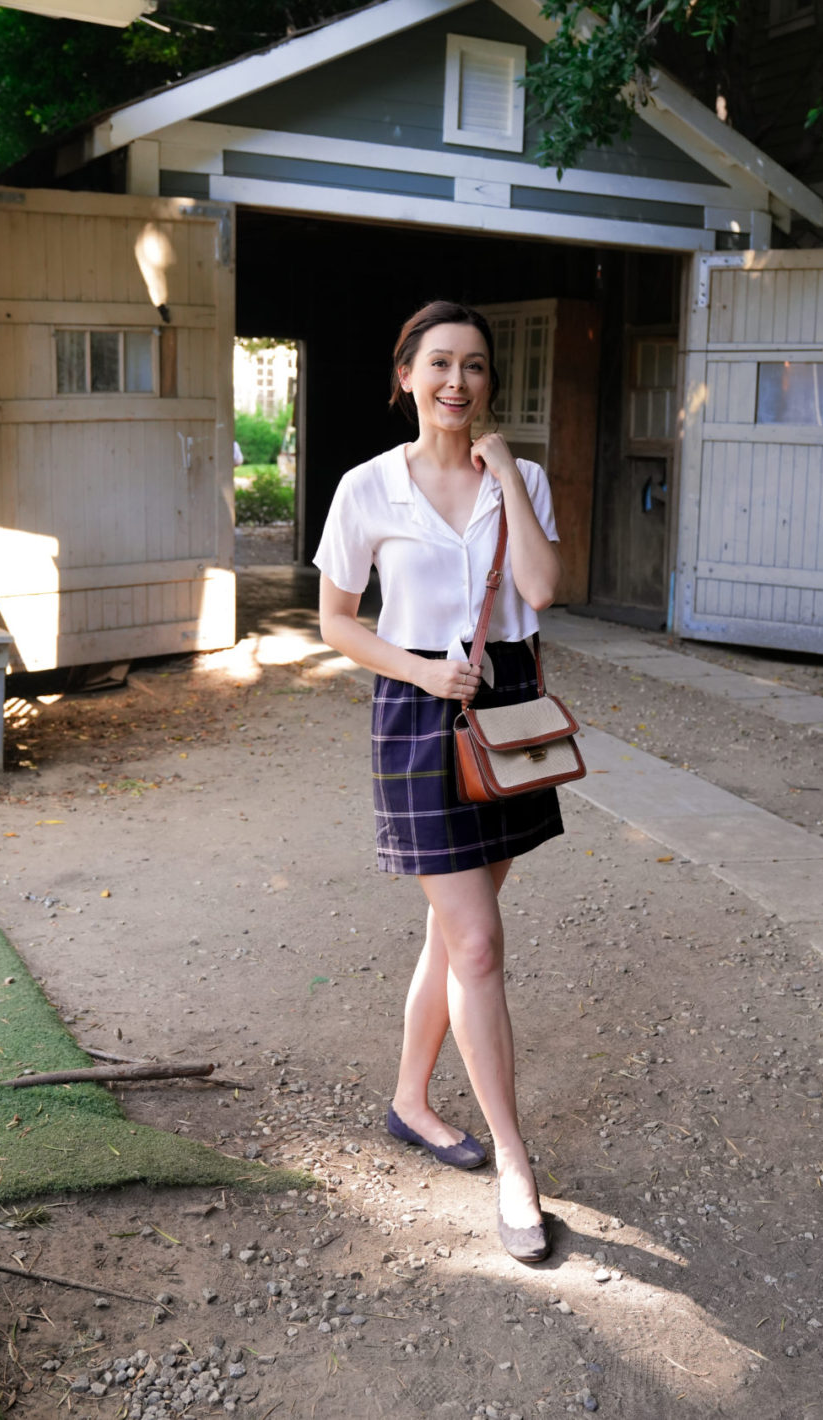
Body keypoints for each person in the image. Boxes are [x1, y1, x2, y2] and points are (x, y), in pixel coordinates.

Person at [314, 298, 564, 1264]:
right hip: (420, 711)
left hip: (509, 709)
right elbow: (336, 620)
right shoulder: (367, 489)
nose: (459, 381)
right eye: (441, 364)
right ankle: (514, 1163)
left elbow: (541, 591)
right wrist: (420, 670)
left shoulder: (521, 474)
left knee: (453, 939)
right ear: (407, 375)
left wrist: (504, 470)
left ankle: (412, 1101)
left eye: (476, 367)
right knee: (480, 944)